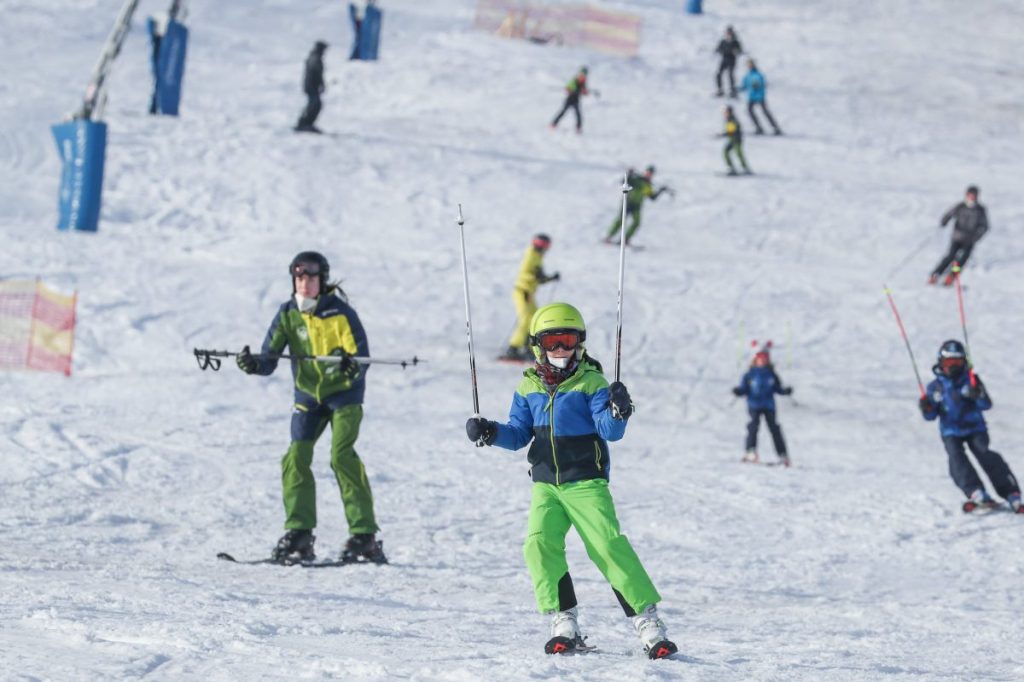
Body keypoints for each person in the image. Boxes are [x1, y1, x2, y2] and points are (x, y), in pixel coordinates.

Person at [466, 303, 679, 658]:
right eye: (553, 341)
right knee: (538, 544)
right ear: (539, 345)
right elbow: (518, 434)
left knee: (608, 547)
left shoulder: (592, 383)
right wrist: (489, 432)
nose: (561, 349)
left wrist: (619, 411)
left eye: (568, 340)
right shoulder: (527, 386)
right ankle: (563, 620)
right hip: (546, 485)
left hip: (585, 484)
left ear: (580, 343)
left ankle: (649, 623)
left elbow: (609, 432)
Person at [235, 251, 389, 562]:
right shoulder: (288, 314)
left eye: (312, 278)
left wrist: (351, 368)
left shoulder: (341, 314)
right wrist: (253, 364)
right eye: (300, 278)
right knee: (295, 456)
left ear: (323, 280)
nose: (305, 284)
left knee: (341, 455)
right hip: (308, 397)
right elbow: (269, 358)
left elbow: (360, 357)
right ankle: (300, 532)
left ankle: (364, 535)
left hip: (344, 397)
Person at [919, 340, 1022, 513]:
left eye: (957, 363)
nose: (952, 367)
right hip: (950, 430)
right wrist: (926, 407)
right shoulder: (935, 387)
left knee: (985, 453)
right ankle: (975, 492)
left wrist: (978, 395)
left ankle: (1011, 493)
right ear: (941, 363)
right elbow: (931, 416)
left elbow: (986, 404)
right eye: (948, 363)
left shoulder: (971, 380)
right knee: (956, 458)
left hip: (975, 428)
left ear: (964, 362)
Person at [501, 235, 560, 361]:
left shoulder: (537, 258)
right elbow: (527, 273)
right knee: (526, 319)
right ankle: (514, 347)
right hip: (522, 292)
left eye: (546, 246)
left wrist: (550, 278)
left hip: (529, 293)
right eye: (544, 246)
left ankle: (528, 347)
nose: (545, 249)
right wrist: (537, 276)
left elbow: (539, 277)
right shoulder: (531, 256)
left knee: (535, 319)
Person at [732, 346, 792, 465]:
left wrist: (785, 391)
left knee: (774, 428)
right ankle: (750, 451)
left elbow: (777, 388)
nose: (763, 360)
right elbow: (745, 388)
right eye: (760, 357)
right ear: (755, 359)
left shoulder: (771, 374)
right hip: (754, 404)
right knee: (753, 426)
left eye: (765, 358)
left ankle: (783, 455)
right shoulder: (750, 374)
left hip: (769, 405)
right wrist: (739, 391)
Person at [929, 186, 988, 286]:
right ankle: (936, 274)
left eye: (973, 196)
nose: (971, 198)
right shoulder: (960, 206)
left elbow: (985, 226)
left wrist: (976, 237)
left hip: (970, 240)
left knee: (962, 260)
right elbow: (949, 214)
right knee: (950, 256)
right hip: (957, 237)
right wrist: (944, 221)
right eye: (969, 196)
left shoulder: (980, 210)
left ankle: (951, 276)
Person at [604, 166, 674, 244]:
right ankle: (609, 237)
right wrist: (629, 174)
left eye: (650, 174)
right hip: (628, 202)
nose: (649, 175)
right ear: (645, 172)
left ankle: (625, 239)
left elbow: (652, 197)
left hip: (637, 206)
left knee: (637, 222)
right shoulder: (636, 180)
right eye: (648, 173)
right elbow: (624, 181)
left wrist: (661, 190)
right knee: (621, 220)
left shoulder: (648, 185)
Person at [739, 59, 782, 135]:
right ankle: (758, 127)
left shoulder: (758, 74)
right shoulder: (747, 75)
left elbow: (762, 83)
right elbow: (745, 85)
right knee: (750, 111)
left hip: (759, 96)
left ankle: (776, 128)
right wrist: (738, 89)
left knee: (765, 112)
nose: (749, 66)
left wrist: (757, 85)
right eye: (748, 64)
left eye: (750, 64)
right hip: (751, 97)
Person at [296, 41, 328, 133]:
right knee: (314, 104)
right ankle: (304, 123)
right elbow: (316, 72)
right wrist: (320, 83)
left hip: (312, 85)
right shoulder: (315, 57)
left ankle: (306, 123)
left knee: (315, 104)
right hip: (311, 85)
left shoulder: (315, 57)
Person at [550, 67, 591, 133]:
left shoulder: (583, 83)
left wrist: (585, 92)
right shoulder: (574, 80)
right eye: (582, 74)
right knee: (563, 112)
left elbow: (584, 92)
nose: (583, 76)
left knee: (578, 114)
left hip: (576, 100)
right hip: (569, 99)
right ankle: (553, 124)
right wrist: (573, 90)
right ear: (580, 74)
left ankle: (578, 128)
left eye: (584, 75)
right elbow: (567, 88)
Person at [721, 105, 751, 175]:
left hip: (736, 140)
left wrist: (724, 134)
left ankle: (745, 168)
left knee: (739, 154)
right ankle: (731, 168)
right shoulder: (729, 119)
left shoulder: (732, 120)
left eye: (726, 112)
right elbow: (730, 131)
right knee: (726, 151)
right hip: (733, 140)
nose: (725, 113)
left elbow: (732, 131)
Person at [714, 26, 743, 98]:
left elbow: (740, 51)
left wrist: (736, 51)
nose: (728, 34)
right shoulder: (723, 41)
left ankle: (732, 90)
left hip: (732, 60)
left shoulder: (735, 42)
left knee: (730, 75)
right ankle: (720, 90)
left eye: (729, 33)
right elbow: (718, 49)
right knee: (718, 74)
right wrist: (719, 50)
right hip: (724, 59)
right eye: (727, 33)